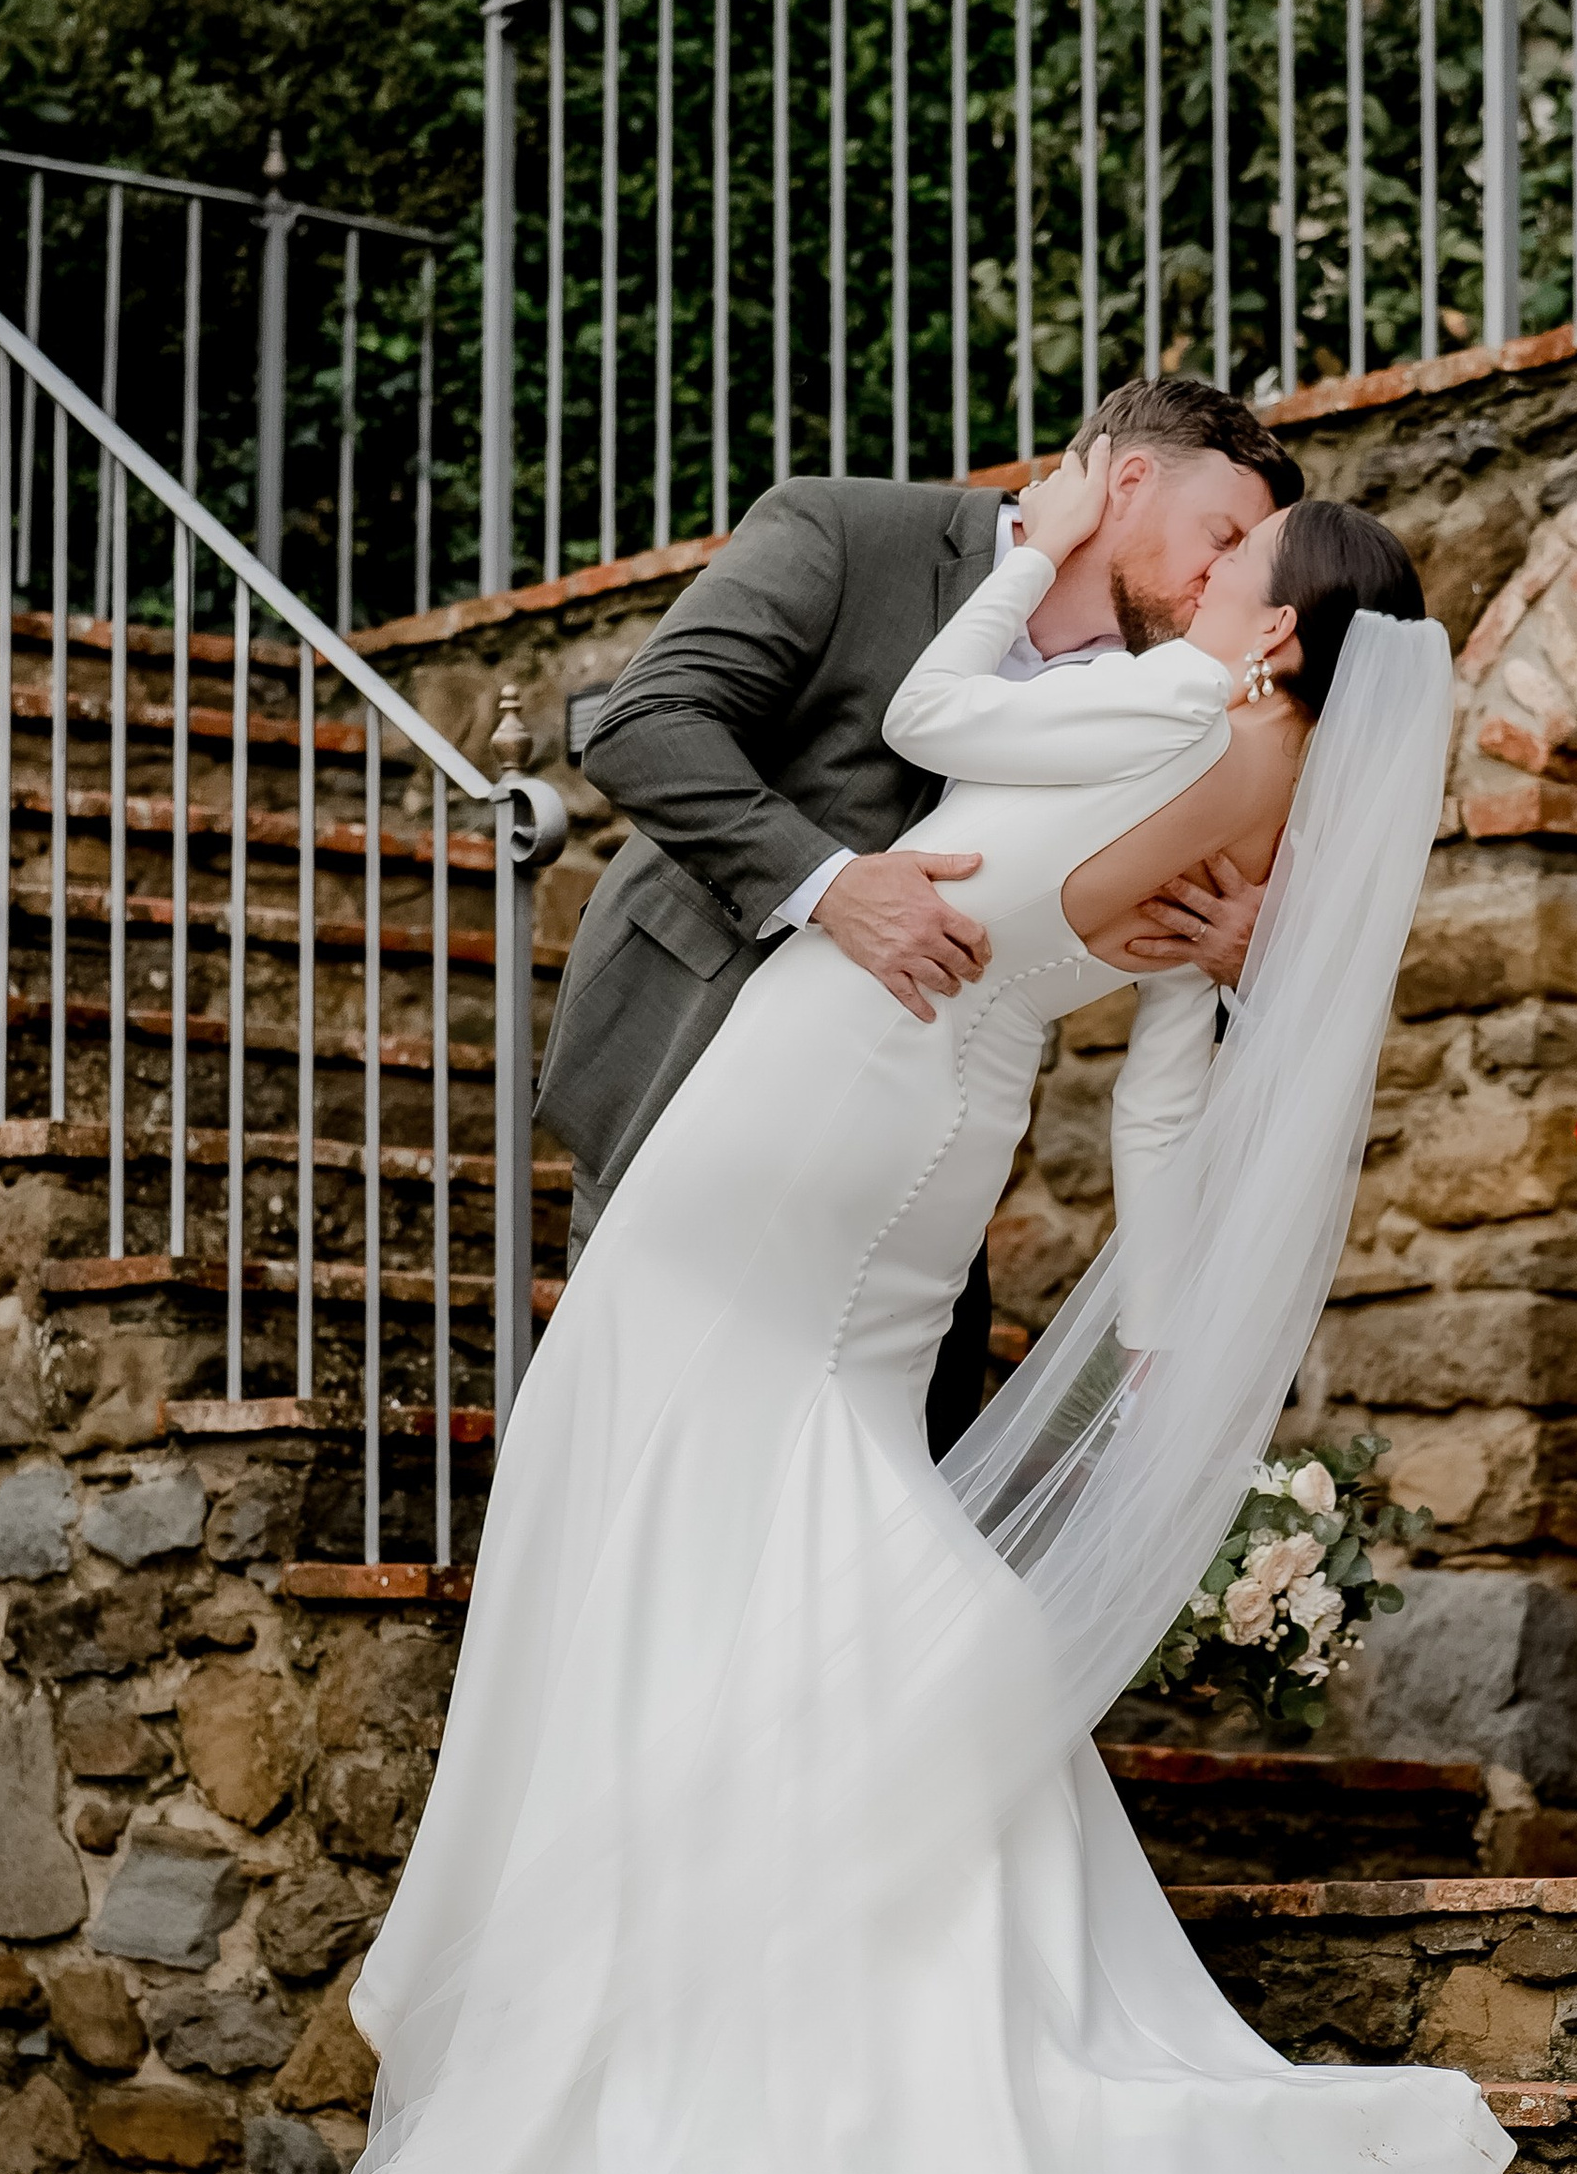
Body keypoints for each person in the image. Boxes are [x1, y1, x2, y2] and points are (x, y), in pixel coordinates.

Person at [0, 453, 1512, 2174]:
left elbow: (945, 711)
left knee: (690, 1482)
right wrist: (1159, 1305)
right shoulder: (1248, 778)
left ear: (1278, 619)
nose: (1196, 556)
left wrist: (1025, 567)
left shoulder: (1147, 707)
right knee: (815, 1522)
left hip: (821, 1101)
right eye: (1200, 517)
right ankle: (854, 1958)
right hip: (914, 1127)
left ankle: (739, 1974)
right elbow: (1132, 1021)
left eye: (1229, 547)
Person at [538, 375, 1304, 1448]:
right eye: (1218, 535)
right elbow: (647, 723)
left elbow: (1136, 955)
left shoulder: (1177, 697)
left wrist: (1236, 959)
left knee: (900, 1461)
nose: (1221, 577)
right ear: (1128, 481)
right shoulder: (849, 530)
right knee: (646, 1440)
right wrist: (831, 885)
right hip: (696, 1050)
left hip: (921, 1137)